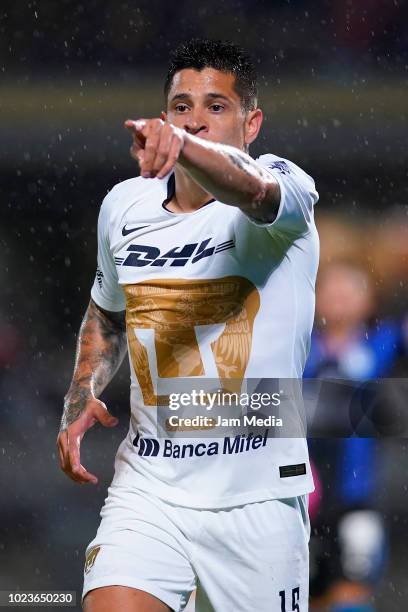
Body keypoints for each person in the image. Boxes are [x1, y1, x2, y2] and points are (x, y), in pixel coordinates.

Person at [57, 38, 319, 612]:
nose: (195, 122)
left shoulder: (283, 190)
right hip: (150, 486)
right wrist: (82, 394)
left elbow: (251, 189)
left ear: (252, 123)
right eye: (180, 108)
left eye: (215, 107)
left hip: (257, 497)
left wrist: (183, 148)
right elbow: (108, 307)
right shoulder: (125, 206)